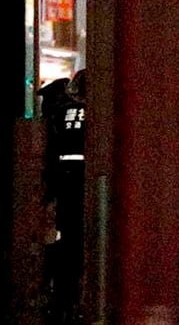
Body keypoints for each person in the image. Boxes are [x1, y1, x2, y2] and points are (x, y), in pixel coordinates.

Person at [44, 69, 87, 323]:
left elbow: (52, 147)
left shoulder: (60, 113)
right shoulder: (98, 112)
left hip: (64, 184)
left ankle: (62, 298)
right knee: (80, 243)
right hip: (85, 183)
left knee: (66, 240)